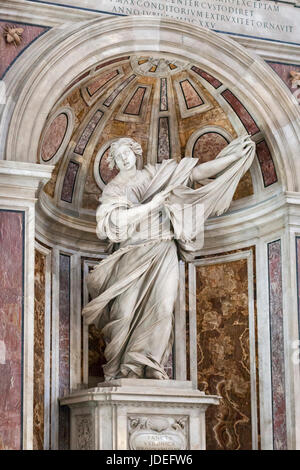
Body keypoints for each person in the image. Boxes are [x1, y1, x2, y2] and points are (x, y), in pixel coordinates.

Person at [82, 135, 255, 381]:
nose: (123, 158)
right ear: (114, 163)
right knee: (125, 311)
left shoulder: (157, 174)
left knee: (164, 307)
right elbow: (115, 221)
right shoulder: (115, 189)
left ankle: (151, 363)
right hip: (132, 253)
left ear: (135, 152)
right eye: (118, 157)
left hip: (164, 249)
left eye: (126, 152)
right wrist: (152, 206)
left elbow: (195, 173)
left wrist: (233, 158)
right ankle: (126, 368)